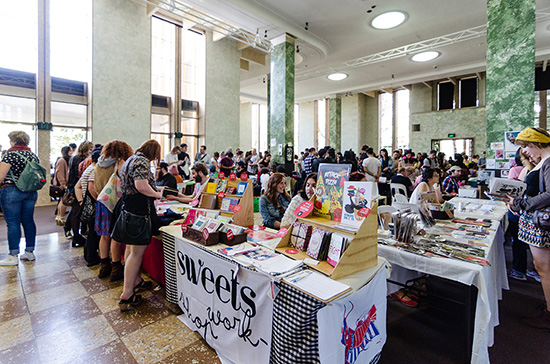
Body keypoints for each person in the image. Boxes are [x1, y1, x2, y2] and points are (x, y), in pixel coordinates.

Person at [507, 127, 550, 329]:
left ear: (536, 143)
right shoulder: (544, 162)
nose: (525, 151)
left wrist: (522, 204)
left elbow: (549, 194)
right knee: (543, 267)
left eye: (526, 146)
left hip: (541, 223)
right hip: (537, 221)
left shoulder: (548, 162)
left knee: (544, 268)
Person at [116, 140, 163, 311]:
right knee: (136, 253)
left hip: (128, 208)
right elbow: (141, 185)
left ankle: (135, 281)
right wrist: (156, 194)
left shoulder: (130, 160)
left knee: (130, 249)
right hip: (139, 210)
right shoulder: (142, 162)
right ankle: (127, 294)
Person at [94, 140, 134, 281]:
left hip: (102, 201)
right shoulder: (119, 163)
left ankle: (104, 266)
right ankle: (116, 268)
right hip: (114, 203)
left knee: (104, 236)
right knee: (116, 237)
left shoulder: (98, 164)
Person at [0, 131, 41, 265]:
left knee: (13, 223)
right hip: (31, 192)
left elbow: (1, 176)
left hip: (12, 190)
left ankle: (12, 255)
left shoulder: (9, 155)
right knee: (28, 221)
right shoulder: (33, 156)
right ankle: (29, 252)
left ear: (13, 141)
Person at [75, 149, 101, 266]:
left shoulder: (88, 169)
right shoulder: (95, 170)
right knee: (93, 233)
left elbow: (78, 186)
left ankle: (89, 256)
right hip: (92, 204)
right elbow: (91, 188)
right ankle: (92, 258)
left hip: (87, 204)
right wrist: (100, 201)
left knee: (91, 231)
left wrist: (81, 201)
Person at [66, 141, 94, 246]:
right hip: (76, 187)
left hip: (73, 186)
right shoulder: (80, 160)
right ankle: (76, 236)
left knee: (75, 211)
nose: (91, 152)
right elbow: (81, 176)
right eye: (90, 150)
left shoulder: (75, 158)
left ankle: (73, 232)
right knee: (76, 213)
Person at [53, 146, 72, 226]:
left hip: (64, 183)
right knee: (63, 201)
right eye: (70, 151)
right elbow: (59, 172)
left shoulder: (65, 160)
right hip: (62, 184)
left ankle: (59, 217)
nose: (72, 152)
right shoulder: (62, 160)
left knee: (62, 200)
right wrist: (62, 183)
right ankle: (61, 216)